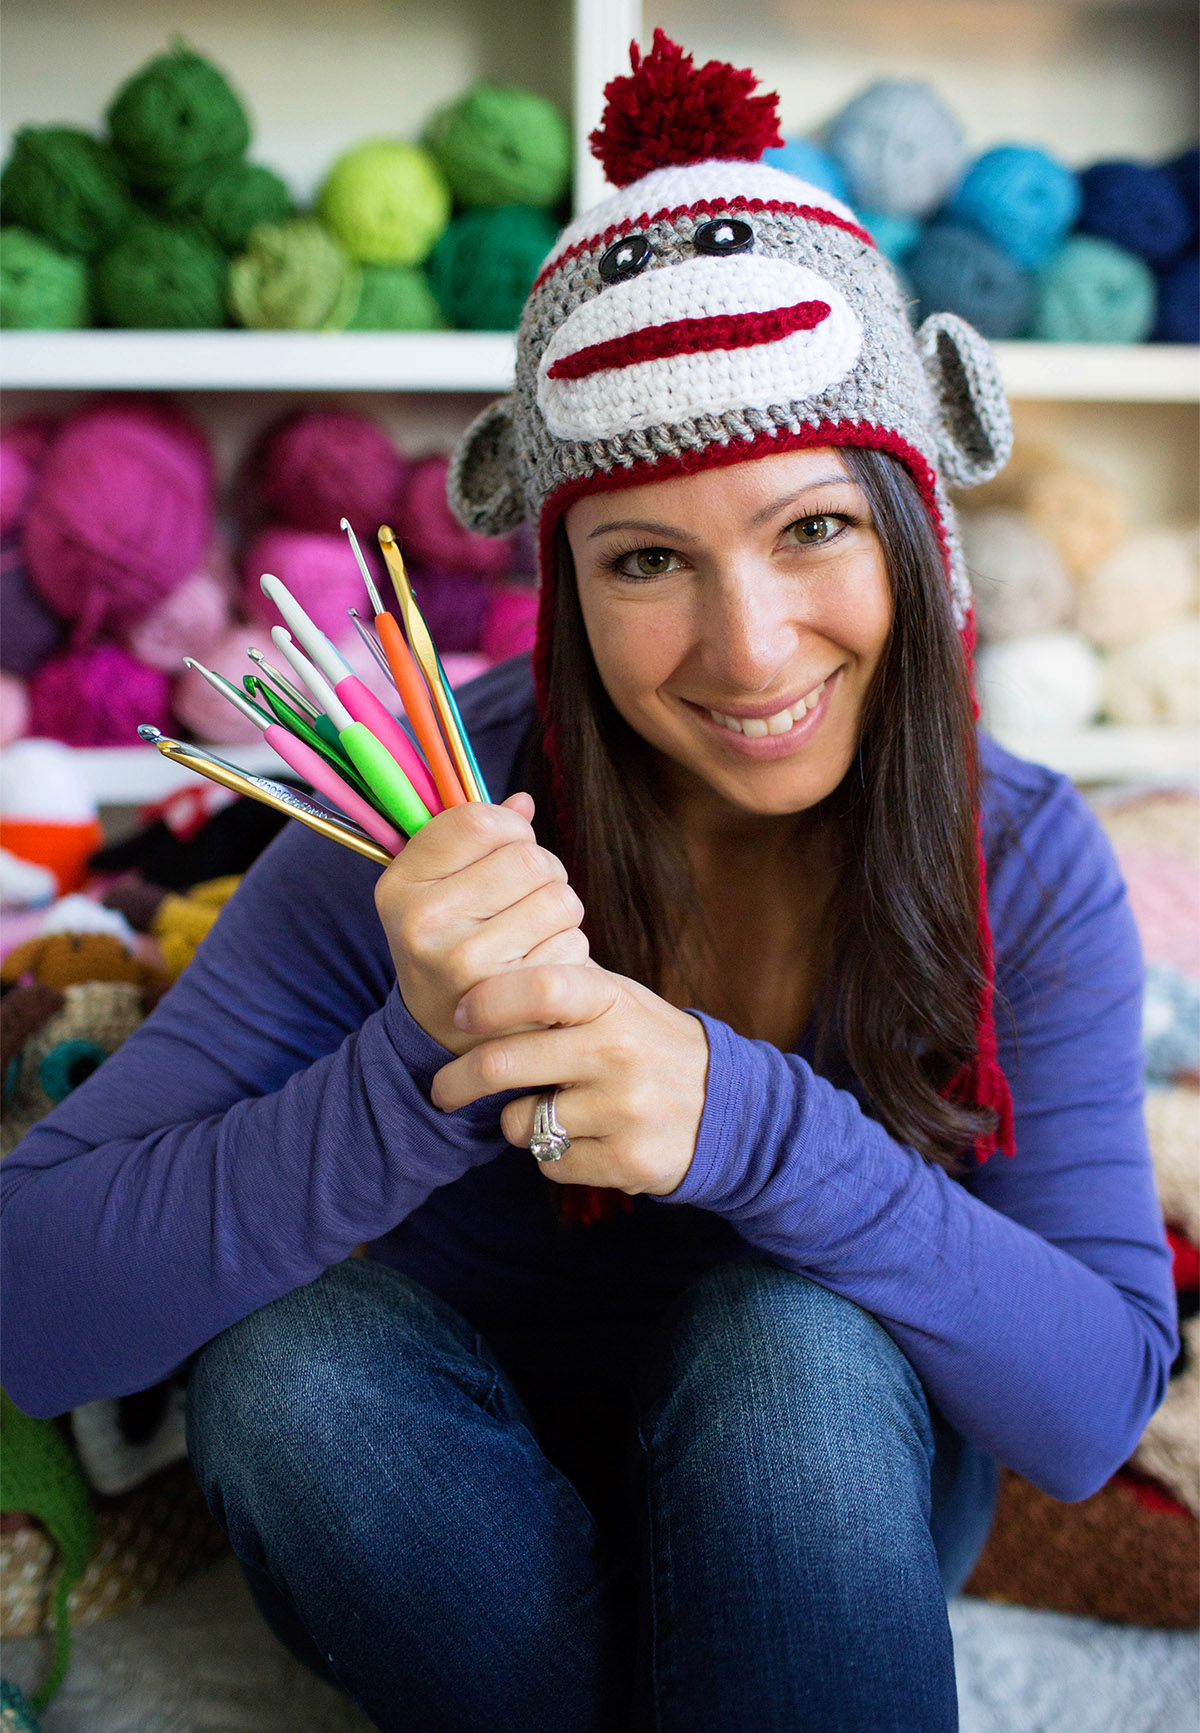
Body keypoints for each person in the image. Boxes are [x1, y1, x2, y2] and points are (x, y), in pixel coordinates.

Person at [0, 33, 1176, 1733]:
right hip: (475, 1517)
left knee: (787, 1338)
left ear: (916, 530)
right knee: (288, 1362)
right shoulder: (429, 826)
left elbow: (1090, 1405)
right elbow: (33, 1309)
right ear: (559, 581)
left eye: (814, 529)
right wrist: (417, 1064)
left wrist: (751, 1128)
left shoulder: (1020, 850)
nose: (749, 648)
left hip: (829, 1488)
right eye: (646, 560)